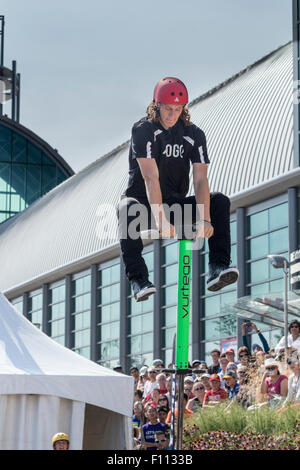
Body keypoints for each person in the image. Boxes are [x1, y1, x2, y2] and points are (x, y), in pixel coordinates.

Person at [117, 76, 239, 302]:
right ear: (156, 105)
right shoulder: (143, 130)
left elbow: (201, 179)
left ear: (184, 108)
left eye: (177, 109)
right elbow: (151, 178)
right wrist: (161, 220)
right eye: (167, 109)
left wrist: (204, 218)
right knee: (126, 208)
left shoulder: (194, 135)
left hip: (175, 206)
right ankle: (139, 280)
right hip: (144, 206)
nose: (171, 115)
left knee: (220, 201)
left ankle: (217, 268)